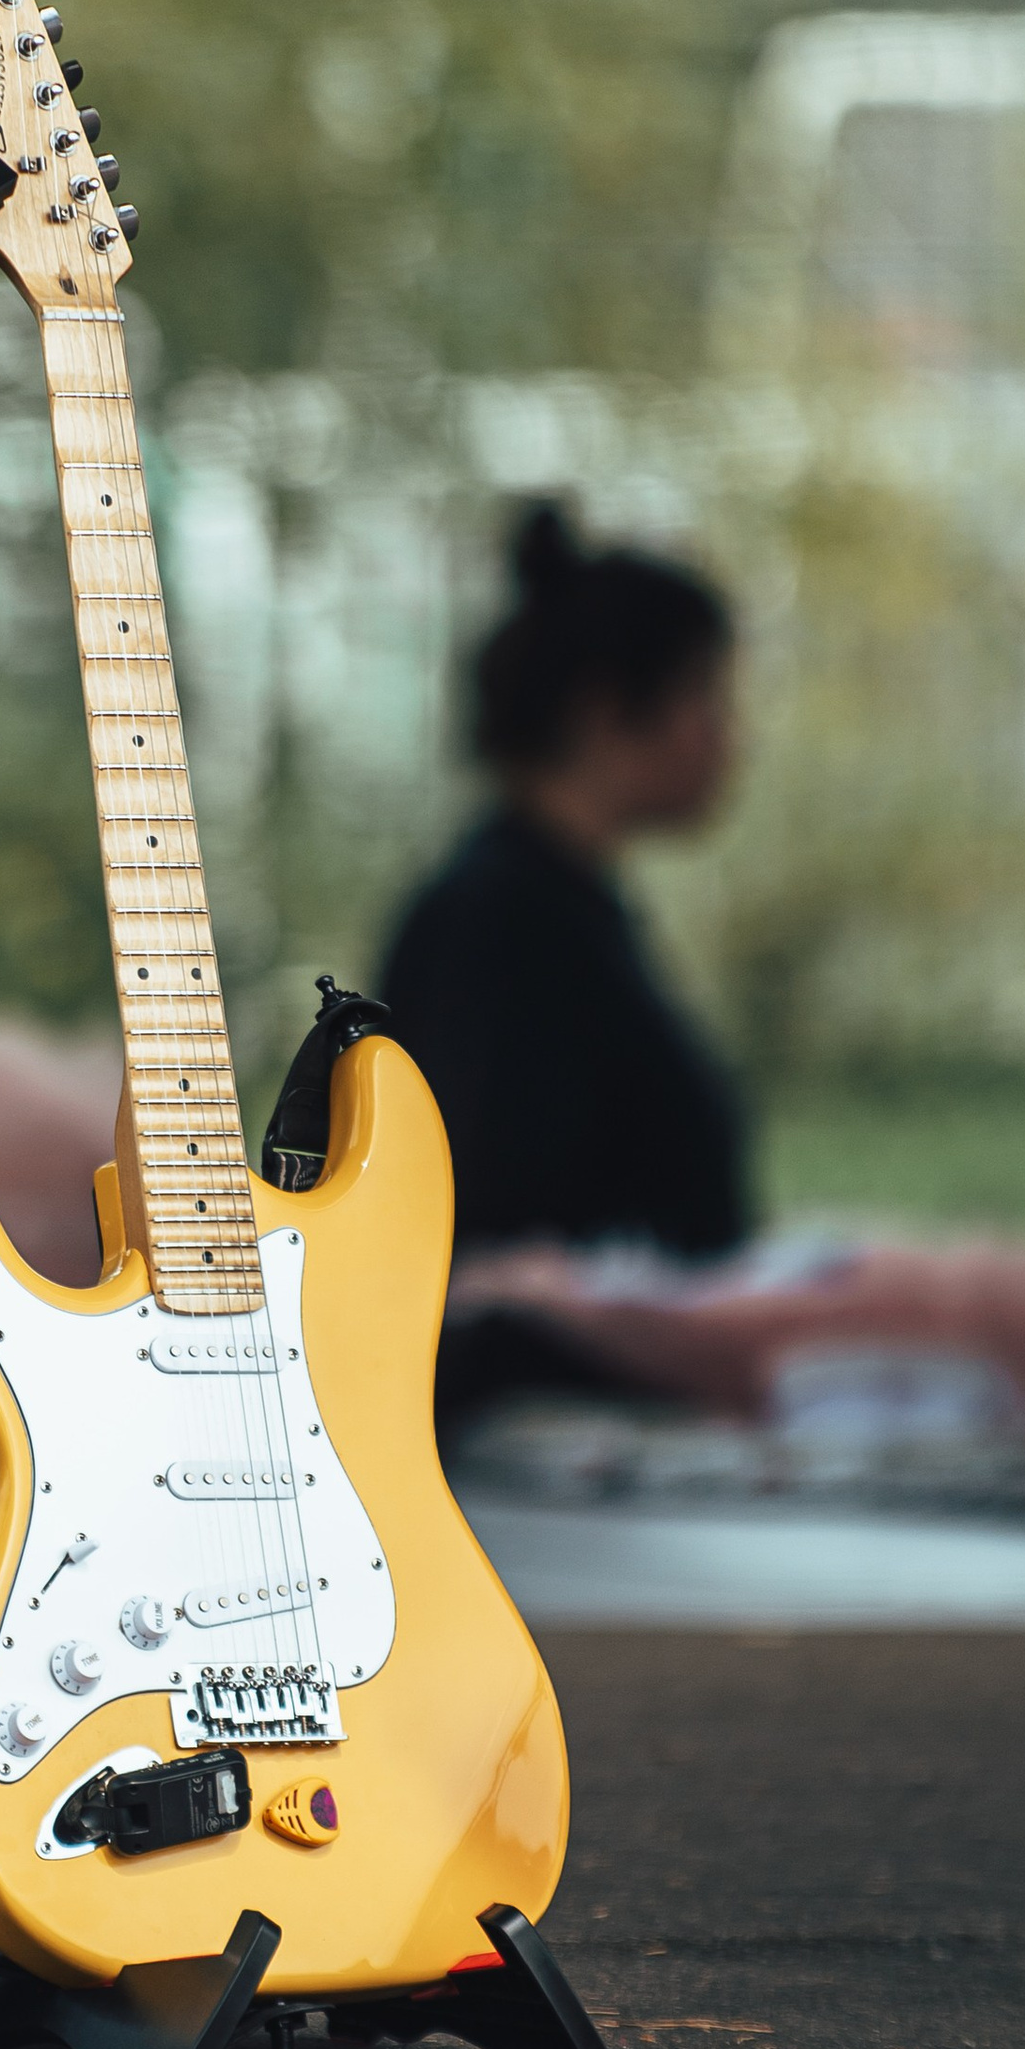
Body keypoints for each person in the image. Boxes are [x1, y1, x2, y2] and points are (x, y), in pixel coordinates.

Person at [381, 506, 749, 1388]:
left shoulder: (560, 906)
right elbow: (486, 1234)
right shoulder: (496, 922)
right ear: (604, 711)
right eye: (704, 696)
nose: (728, 737)